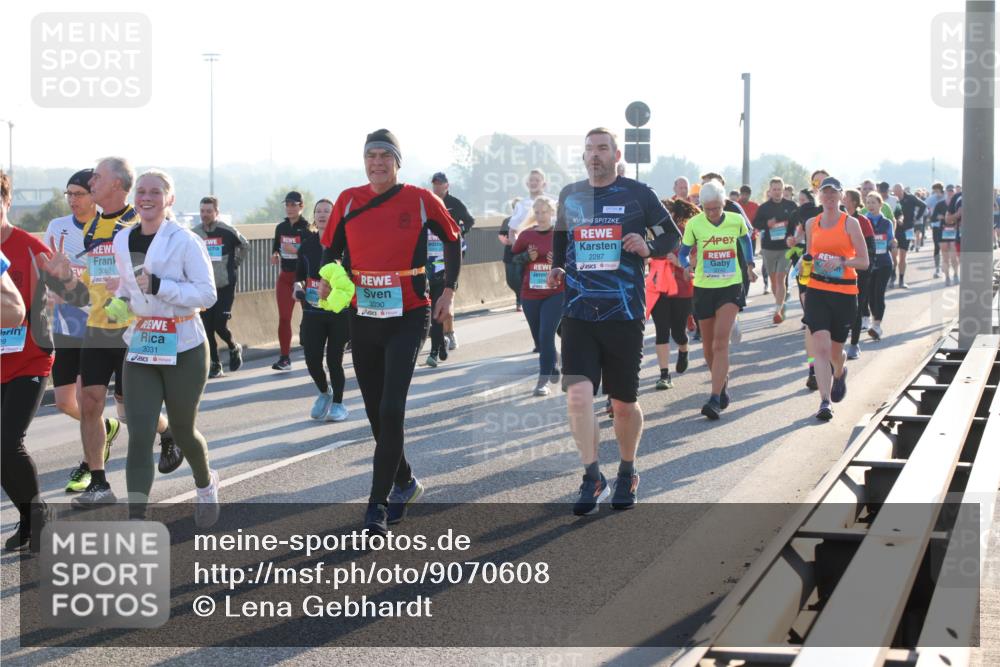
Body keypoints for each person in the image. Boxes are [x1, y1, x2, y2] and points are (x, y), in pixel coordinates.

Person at [319, 129, 461, 535]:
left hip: (408, 313)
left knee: (391, 408)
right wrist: (329, 279)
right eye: (371, 156)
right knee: (374, 412)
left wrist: (448, 291)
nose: (377, 162)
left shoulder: (419, 199)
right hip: (362, 313)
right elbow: (330, 252)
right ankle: (405, 481)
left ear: (398, 161)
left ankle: (376, 506)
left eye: (385, 155)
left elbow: (453, 239)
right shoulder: (348, 199)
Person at [547, 127, 680, 515]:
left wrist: (647, 246)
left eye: (602, 148)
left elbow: (671, 237)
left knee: (623, 404)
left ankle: (627, 471)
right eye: (589, 149)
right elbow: (559, 238)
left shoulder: (639, 194)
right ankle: (592, 476)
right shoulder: (570, 195)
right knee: (578, 397)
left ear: (616, 154)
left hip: (623, 313)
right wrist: (557, 266)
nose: (595, 155)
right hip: (577, 312)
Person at [38, 157, 180, 508]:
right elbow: (87, 293)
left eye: (97, 178)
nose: (92, 182)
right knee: (89, 403)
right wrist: (65, 279)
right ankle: (99, 484)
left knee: (130, 411)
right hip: (98, 328)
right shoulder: (93, 228)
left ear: (116, 185)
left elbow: (161, 277)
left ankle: (168, 433)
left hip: (136, 329)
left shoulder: (142, 222)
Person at [107, 169, 220, 526]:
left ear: (169, 199)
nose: (146, 197)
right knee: (139, 433)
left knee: (184, 431)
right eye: (141, 191)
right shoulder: (121, 240)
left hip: (184, 345)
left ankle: (205, 484)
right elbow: (129, 291)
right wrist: (118, 304)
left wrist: (161, 285)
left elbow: (207, 295)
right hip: (142, 344)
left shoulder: (186, 241)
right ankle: (137, 519)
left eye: (156, 191)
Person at [1, 171, 53, 551]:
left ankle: (36, 517)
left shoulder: (30, 247)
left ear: (6, 201)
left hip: (29, 360)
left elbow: (54, 305)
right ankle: (29, 514)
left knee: (7, 443)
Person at [679, 180, 755, 420]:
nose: (712, 213)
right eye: (707, 208)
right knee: (709, 347)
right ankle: (721, 383)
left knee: (721, 342)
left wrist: (750, 264)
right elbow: (683, 251)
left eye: (716, 207)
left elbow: (745, 241)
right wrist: (685, 265)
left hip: (730, 285)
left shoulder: (735, 220)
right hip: (703, 287)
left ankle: (713, 398)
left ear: (723, 203)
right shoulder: (694, 224)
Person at [43, 170, 98, 490]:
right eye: (69, 194)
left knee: (91, 399)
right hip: (65, 324)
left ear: (95, 194)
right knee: (64, 402)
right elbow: (51, 270)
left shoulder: (109, 230)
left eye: (79, 193)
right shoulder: (57, 227)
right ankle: (105, 429)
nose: (73, 200)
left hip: (98, 326)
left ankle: (91, 467)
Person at [803, 177, 869, 421]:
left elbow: (864, 261)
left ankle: (840, 372)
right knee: (819, 346)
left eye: (834, 194)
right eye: (825, 193)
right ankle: (824, 401)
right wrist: (803, 264)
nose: (829, 198)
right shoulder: (812, 223)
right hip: (817, 290)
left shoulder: (850, 223)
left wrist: (841, 261)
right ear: (819, 196)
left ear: (841, 197)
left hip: (844, 293)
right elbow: (810, 253)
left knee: (834, 351)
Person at [294, 199, 350, 421]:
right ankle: (324, 393)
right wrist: (297, 287)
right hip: (312, 312)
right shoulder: (307, 244)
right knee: (311, 358)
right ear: (314, 216)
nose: (323, 214)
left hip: (338, 312)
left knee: (334, 360)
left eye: (328, 211)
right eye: (319, 211)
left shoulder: (346, 243)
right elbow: (299, 276)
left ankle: (338, 405)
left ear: (335, 215)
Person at [512, 196, 563, 395]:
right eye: (538, 212)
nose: (541, 216)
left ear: (552, 213)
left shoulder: (560, 234)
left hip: (555, 293)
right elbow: (511, 258)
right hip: (530, 293)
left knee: (546, 334)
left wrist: (558, 261)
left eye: (545, 212)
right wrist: (527, 257)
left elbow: (573, 259)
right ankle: (554, 360)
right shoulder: (526, 235)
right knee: (539, 339)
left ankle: (542, 382)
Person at [192, 196, 247, 378]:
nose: (205, 215)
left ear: (216, 212)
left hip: (225, 285)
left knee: (219, 324)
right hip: (205, 286)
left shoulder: (227, 231)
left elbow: (245, 245)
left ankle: (233, 346)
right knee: (207, 327)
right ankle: (215, 363)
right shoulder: (195, 233)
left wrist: (235, 263)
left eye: (209, 211)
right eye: (202, 211)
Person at [646, 198, 697, 390]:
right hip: (658, 287)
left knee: (678, 331)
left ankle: (683, 349)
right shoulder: (650, 231)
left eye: (665, 211)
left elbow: (695, 259)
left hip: (681, 288)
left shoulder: (684, 232)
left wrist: (678, 261)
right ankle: (664, 375)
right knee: (662, 329)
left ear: (673, 214)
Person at [430, 172, 475, 354]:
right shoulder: (429, 202)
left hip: (452, 252)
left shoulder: (455, 203)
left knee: (448, 292)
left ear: (447, 186)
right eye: (434, 184)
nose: (437, 187)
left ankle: (450, 332)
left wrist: (459, 230)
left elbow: (470, 221)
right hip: (432, 256)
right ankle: (439, 334)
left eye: (440, 184)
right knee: (435, 294)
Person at [271, 191, 310, 372]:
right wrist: (275, 254)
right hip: (285, 278)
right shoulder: (281, 228)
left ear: (301, 207)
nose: (289, 208)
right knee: (284, 318)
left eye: (293, 205)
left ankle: (312, 353)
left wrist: (295, 251)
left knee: (309, 317)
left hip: (304, 279)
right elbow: (276, 247)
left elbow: (311, 254)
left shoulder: (308, 228)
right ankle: (285, 358)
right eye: (287, 205)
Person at [753, 177, 798, 324]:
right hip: (769, 248)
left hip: (785, 248)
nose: (777, 192)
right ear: (770, 191)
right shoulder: (764, 207)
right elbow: (756, 224)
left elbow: (799, 223)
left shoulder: (791, 205)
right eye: (775, 189)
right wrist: (767, 224)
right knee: (774, 281)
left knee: (780, 278)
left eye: (779, 189)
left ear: (783, 189)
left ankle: (778, 310)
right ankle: (780, 303)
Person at [842, 189, 876, 359]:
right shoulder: (838, 220)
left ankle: (854, 344)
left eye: (845, 198)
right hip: (839, 271)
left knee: (856, 308)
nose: (842, 200)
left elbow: (871, 249)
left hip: (860, 272)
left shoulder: (863, 221)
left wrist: (863, 266)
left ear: (854, 202)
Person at [864, 192, 895, 341]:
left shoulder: (887, 222)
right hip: (869, 264)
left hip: (884, 263)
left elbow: (890, 239)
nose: (870, 205)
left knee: (879, 293)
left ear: (880, 204)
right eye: (868, 202)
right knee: (870, 294)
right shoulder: (863, 222)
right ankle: (873, 320)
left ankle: (877, 325)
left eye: (873, 202)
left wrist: (893, 243)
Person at [890, 183, 926, 288]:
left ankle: (901, 279)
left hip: (908, 228)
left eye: (898, 192)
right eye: (895, 193)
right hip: (895, 229)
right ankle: (893, 276)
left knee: (903, 255)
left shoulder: (910, 198)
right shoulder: (893, 200)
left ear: (902, 191)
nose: (897, 195)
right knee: (893, 254)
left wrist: (916, 218)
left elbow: (923, 205)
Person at [509, 169, 557, 235]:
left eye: (537, 180)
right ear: (527, 184)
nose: (533, 183)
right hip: (528, 244)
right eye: (531, 180)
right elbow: (512, 231)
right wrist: (518, 244)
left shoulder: (554, 202)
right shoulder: (520, 205)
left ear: (544, 184)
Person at [924, 182, 946, 278]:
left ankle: (945, 266)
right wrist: (928, 216)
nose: (935, 193)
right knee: (937, 246)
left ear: (941, 190)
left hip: (946, 226)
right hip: (936, 225)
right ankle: (937, 269)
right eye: (934, 191)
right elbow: (924, 206)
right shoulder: (931, 198)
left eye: (937, 190)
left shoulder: (946, 197)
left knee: (946, 247)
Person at [940, 189, 961, 285]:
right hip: (943, 232)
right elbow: (934, 217)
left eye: (952, 192)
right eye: (949, 193)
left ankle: (956, 275)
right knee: (945, 257)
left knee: (953, 257)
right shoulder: (940, 204)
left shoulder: (957, 199)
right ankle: (947, 277)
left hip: (954, 233)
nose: (950, 195)